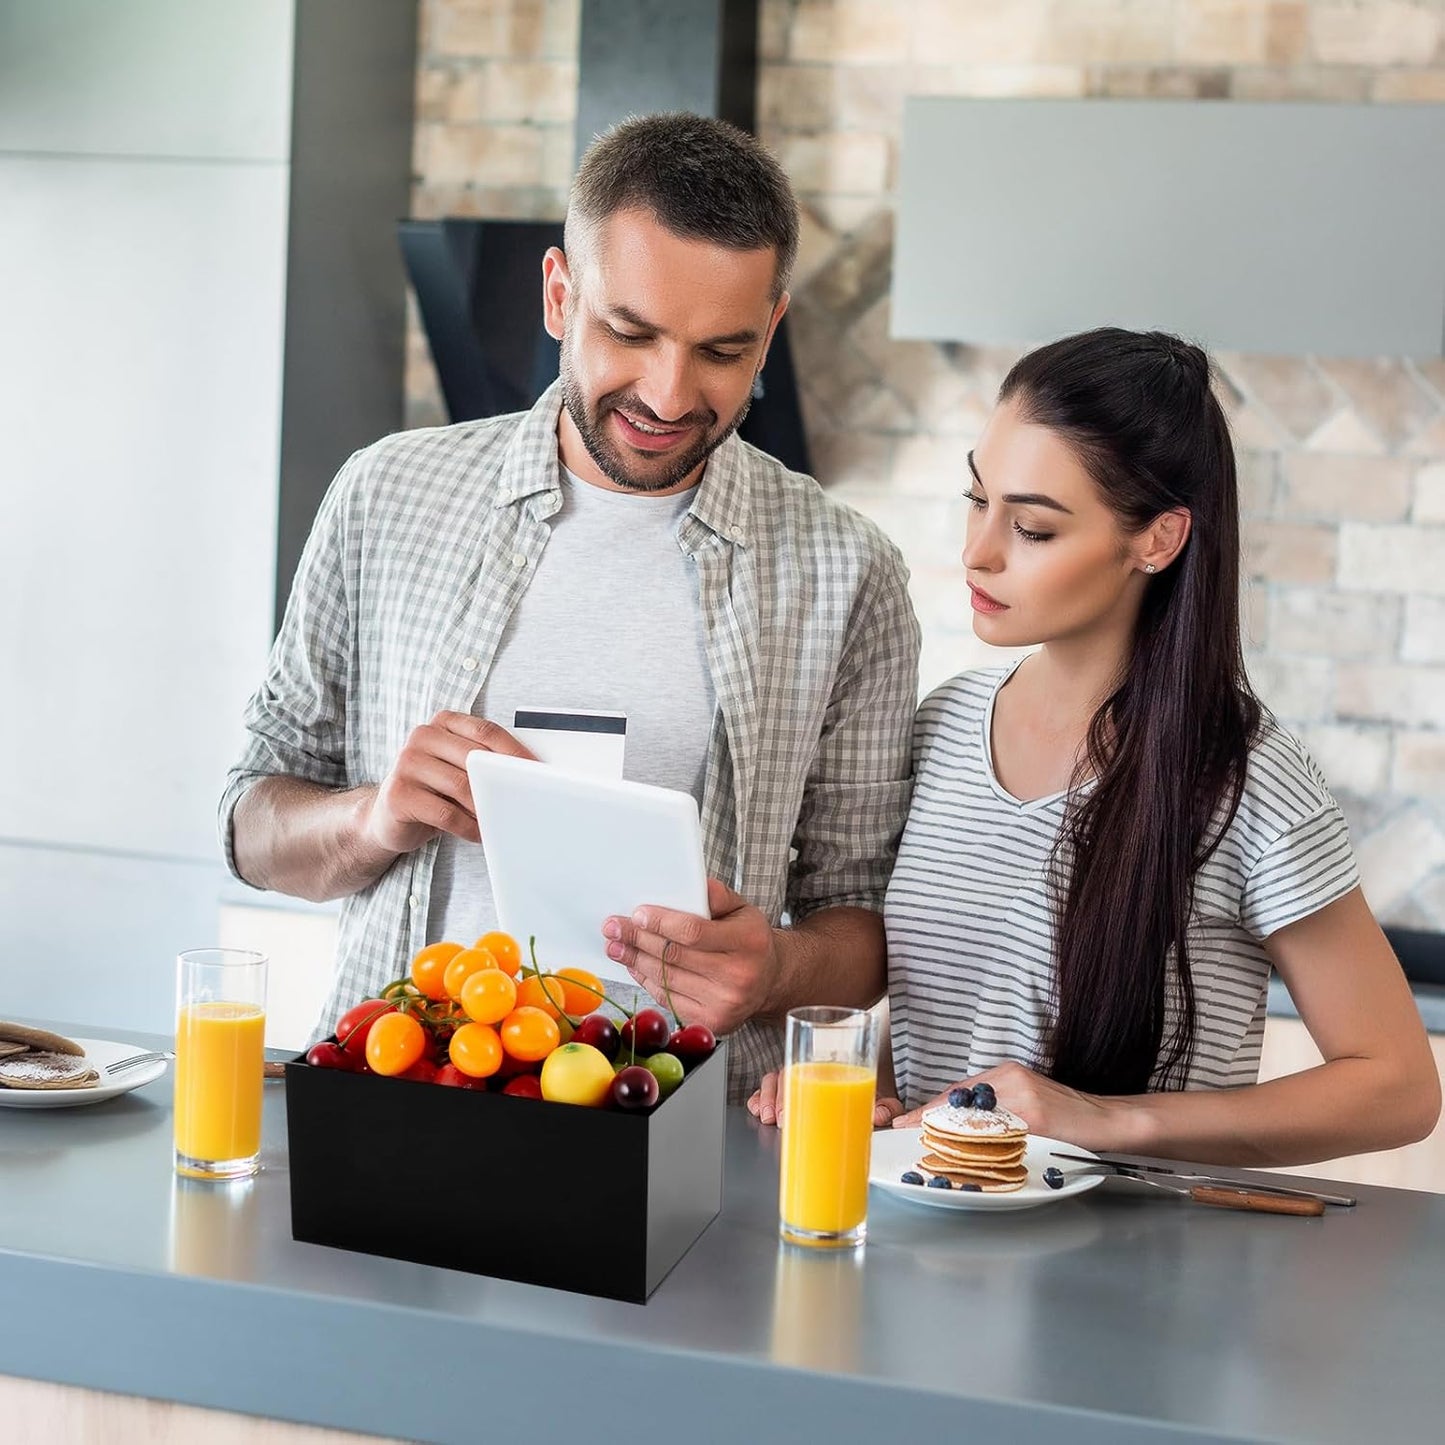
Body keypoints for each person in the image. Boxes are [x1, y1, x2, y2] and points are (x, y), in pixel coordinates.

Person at [220, 113, 920, 1101]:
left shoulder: (846, 572)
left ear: (770, 327)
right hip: (401, 1104)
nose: (670, 395)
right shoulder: (387, 495)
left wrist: (777, 970)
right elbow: (249, 826)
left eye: (722, 351)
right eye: (629, 333)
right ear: (558, 294)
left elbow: (865, 920)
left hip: (687, 1142)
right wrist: (374, 817)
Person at [751, 327, 1439, 1165]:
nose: (979, 552)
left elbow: (1398, 1085)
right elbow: (959, 1021)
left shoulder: (1244, 776)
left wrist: (1107, 1119)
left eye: (1033, 529)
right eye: (978, 500)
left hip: (1140, 1270)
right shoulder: (939, 728)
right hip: (931, 1251)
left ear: (1155, 539)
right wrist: (863, 1093)